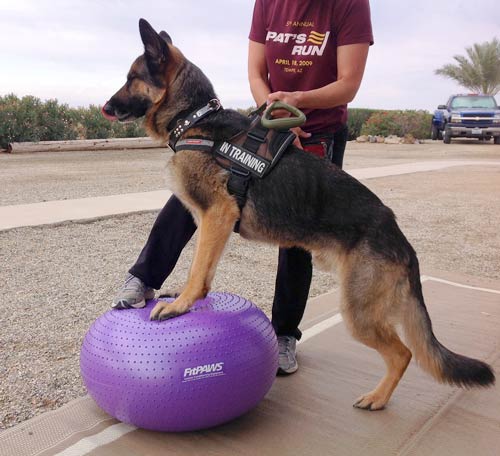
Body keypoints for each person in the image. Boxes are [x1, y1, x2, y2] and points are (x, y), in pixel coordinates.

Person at [113, 0, 373, 376]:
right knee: (197, 185)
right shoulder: (268, 2)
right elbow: (256, 71)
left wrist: (298, 102)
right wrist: (274, 112)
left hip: (319, 127)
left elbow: (348, 84)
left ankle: (285, 334)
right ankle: (144, 277)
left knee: (297, 231)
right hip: (271, 114)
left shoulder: (348, 5)